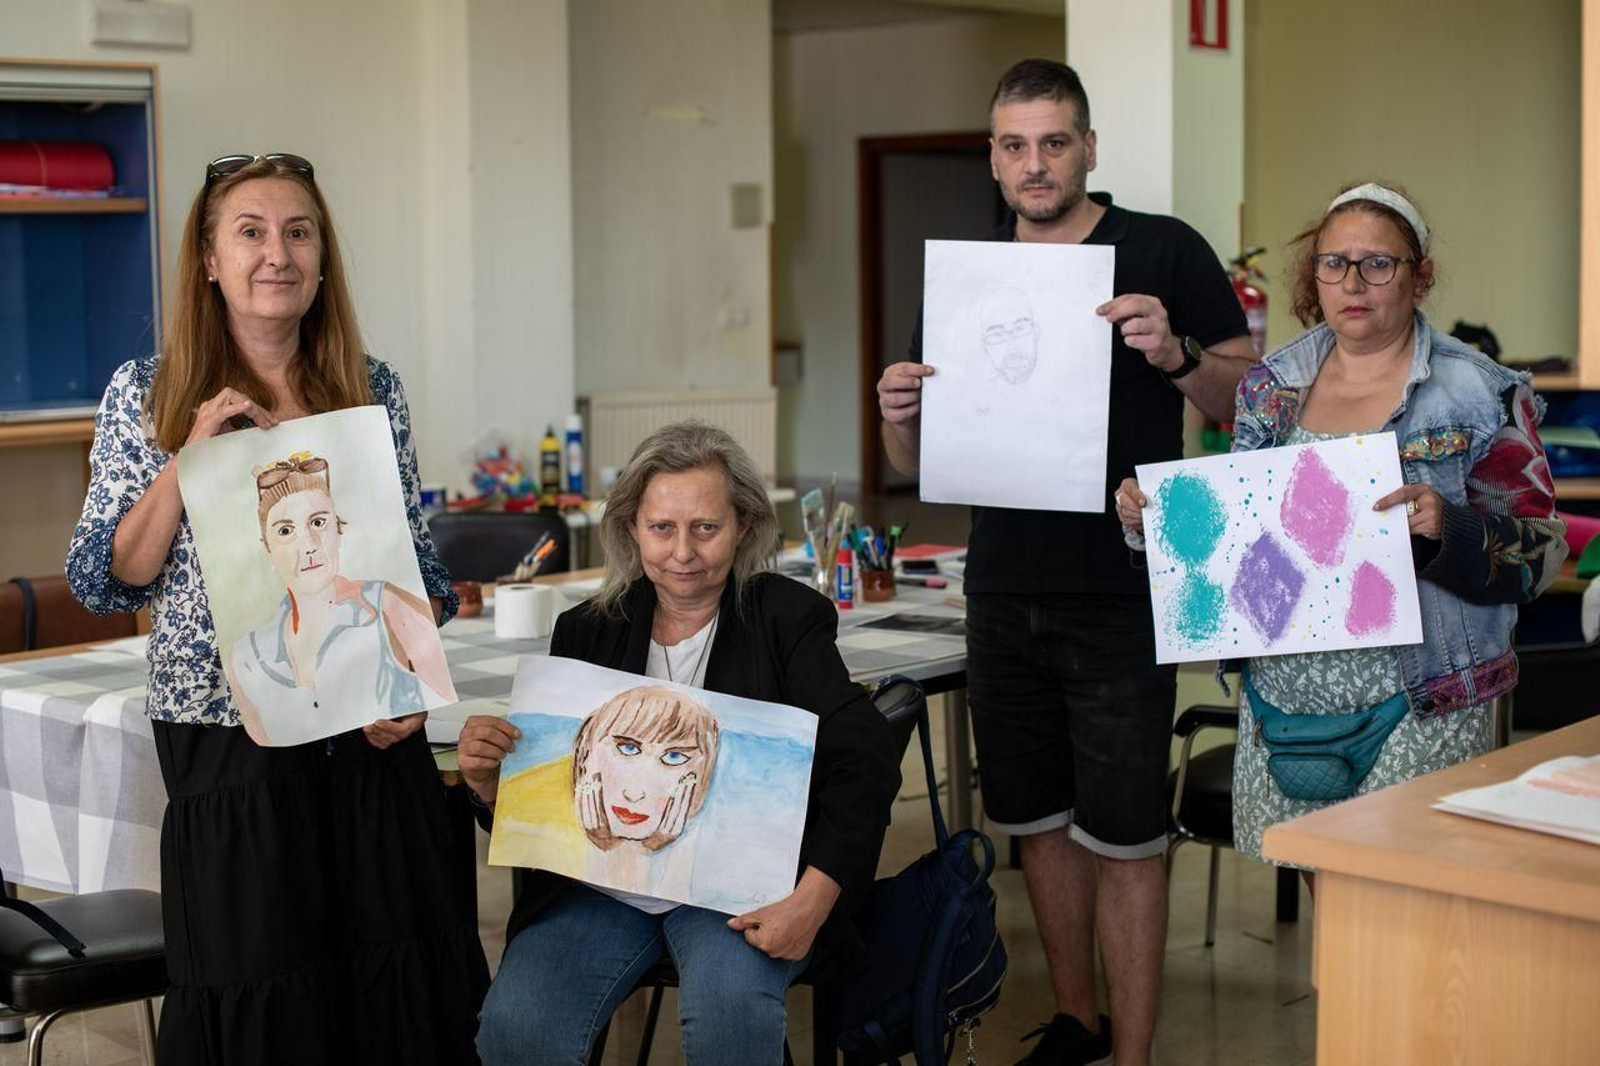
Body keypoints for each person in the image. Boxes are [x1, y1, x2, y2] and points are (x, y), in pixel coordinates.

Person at [65, 153, 488, 1064]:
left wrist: (408, 680)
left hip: (369, 728)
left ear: (323, 258)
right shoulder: (146, 393)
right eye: (249, 232)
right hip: (228, 736)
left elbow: (421, 573)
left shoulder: (371, 386)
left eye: (299, 232)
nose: (277, 254)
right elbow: (105, 578)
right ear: (209, 260)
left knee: (394, 979)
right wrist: (187, 461)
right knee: (262, 982)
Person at [876, 60, 1256, 1066]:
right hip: (1000, 585)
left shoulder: (1161, 248)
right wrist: (896, 419)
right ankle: (1077, 1025)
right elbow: (917, 468)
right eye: (1013, 144)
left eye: (1053, 142)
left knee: (1126, 832)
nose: (1034, 164)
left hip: (1124, 586)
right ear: (993, 155)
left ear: (1088, 147)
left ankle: (1130, 1051)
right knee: (1035, 821)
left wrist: (1175, 354)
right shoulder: (971, 277)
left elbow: (1251, 402)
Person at [1116, 182, 1567, 876]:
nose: (1353, 282)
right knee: (1340, 932)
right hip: (1282, 706)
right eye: (1334, 263)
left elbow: (1541, 552)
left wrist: (1452, 529)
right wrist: (1154, 522)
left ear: (1421, 275)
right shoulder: (1270, 386)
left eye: (1378, 264)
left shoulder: (1480, 392)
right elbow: (1242, 536)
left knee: (1403, 911)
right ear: (1314, 274)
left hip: (1420, 703)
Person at [458, 421, 901, 1066]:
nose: (683, 552)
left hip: (739, 892)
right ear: (631, 530)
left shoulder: (786, 619)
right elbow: (553, 804)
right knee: (516, 1028)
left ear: (744, 525)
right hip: (600, 889)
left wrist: (812, 900)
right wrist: (488, 784)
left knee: (731, 1021)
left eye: (706, 527)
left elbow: (865, 761)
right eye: (662, 528)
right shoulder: (586, 631)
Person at [227, 451, 453, 746]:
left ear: (338, 529)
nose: (308, 545)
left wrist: (416, 698)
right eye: (285, 530)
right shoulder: (247, 656)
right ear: (267, 548)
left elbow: (432, 691)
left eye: (318, 523)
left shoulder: (386, 604)